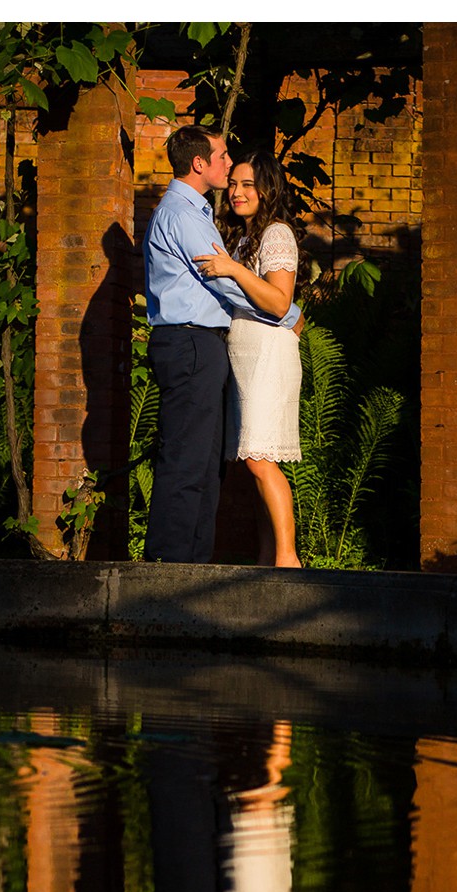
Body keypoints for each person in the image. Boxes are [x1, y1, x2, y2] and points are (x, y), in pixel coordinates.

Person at [142, 126, 299, 564]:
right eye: (224, 158)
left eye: (246, 182)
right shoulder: (185, 215)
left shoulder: (200, 215)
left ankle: (191, 563)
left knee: (208, 464)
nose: (228, 169)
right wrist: (288, 314)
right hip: (192, 342)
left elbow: (228, 277)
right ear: (200, 163)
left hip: (212, 347)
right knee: (189, 460)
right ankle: (171, 565)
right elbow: (222, 283)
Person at [194, 151, 305, 569]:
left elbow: (279, 303)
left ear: (268, 190)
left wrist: (232, 270)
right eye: (234, 184)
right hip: (244, 357)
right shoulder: (243, 236)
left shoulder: (276, 234)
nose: (237, 192)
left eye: (248, 185)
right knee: (254, 460)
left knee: (260, 459)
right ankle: (267, 557)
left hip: (268, 357)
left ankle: (288, 560)